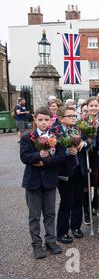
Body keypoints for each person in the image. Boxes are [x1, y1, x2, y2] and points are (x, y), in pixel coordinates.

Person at [20, 106, 65, 259]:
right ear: (35, 119)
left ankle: (51, 241)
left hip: (50, 181)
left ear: (51, 121)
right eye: (40, 120)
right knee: (34, 215)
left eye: (46, 120)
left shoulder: (55, 137)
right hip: (33, 182)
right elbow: (24, 157)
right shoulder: (28, 137)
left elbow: (60, 157)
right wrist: (38, 155)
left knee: (50, 213)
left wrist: (45, 162)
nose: (43, 123)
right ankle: (37, 245)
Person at [51, 106, 89, 244]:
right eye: (70, 116)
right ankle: (62, 232)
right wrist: (67, 152)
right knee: (66, 201)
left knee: (78, 200)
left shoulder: (78, 129)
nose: (73, 118)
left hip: (79, 169)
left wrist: (84, 143)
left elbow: (89, 141)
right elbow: (52, 151)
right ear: (61, 118)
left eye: (74, 115)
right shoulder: (55, 131)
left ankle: (76, 227)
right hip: (65, 172)